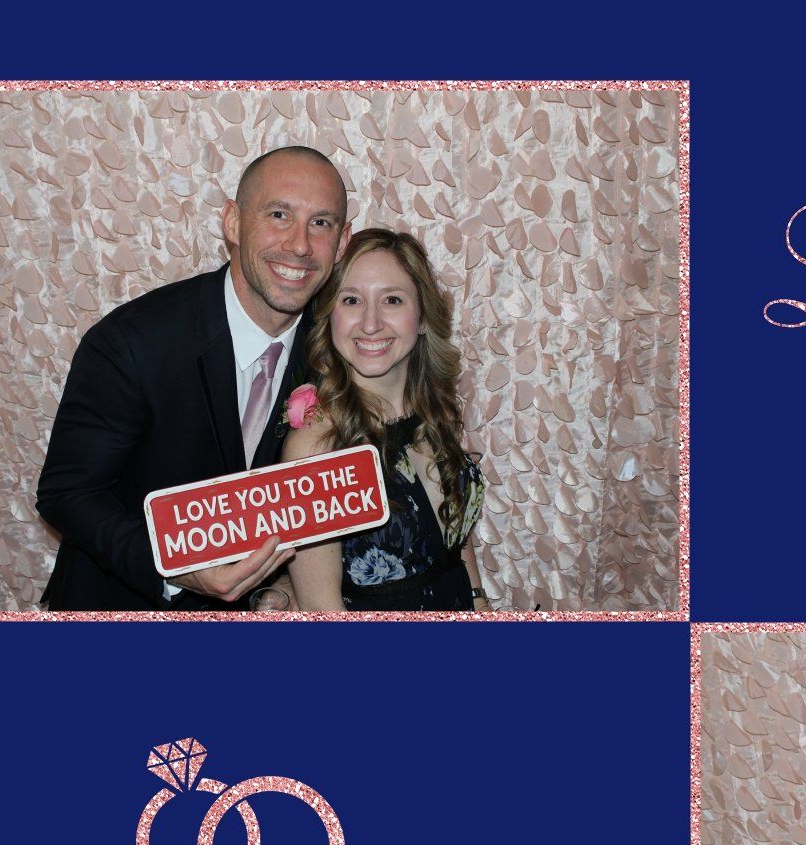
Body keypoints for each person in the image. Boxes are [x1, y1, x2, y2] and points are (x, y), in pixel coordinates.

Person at [35, 146, 351, 610]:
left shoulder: (339, 354)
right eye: (279, 214)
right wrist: (173, 565)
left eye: (320, 223)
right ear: (232, 223)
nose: (300, 245)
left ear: (342, 243)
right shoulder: (133, 341)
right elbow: (66, 493)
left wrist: (282, 589)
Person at [279, 228, 486, 611]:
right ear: (330, 317)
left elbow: (455, 539)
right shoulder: (316, 447)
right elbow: (323, 609)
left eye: (392, 300)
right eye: (352, 300)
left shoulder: (440, 409)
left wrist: (479, 600)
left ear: (423, 318)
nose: (370, 323)